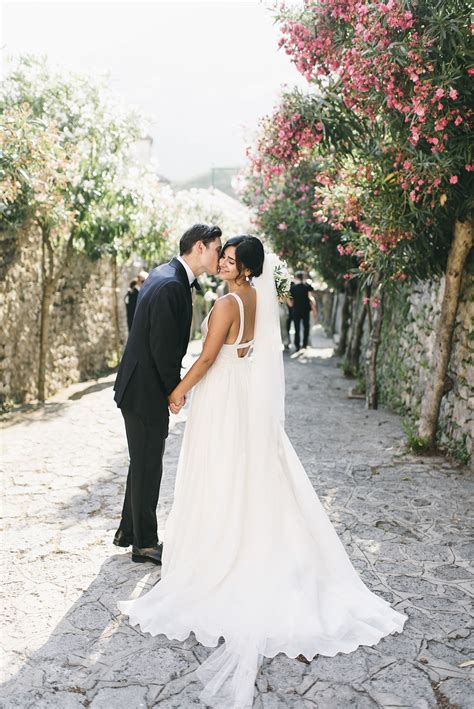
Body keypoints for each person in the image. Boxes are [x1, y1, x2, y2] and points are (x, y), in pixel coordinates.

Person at [118, 235, 407, 708]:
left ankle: (220, 551)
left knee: (217, 475)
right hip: (241, 398)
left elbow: (210, 357)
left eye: (230, 260)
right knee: (243, 474)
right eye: (223, 257)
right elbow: (243, 353)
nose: (223, 263)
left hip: (219, 398)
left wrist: (179, 391)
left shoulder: (231, 301)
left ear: (246, 270)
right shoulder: (253, 299)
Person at [113, 224, 222, 564]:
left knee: (142, 462)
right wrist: (174, 391)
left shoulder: (167, 273)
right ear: (200, 247)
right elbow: (162, 349)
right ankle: (144, 543)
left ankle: (130, 531)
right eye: (218, 249)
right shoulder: (171, 284)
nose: (220, 256)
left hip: (138, 385)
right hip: (145, 390)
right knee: (148, 465)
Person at [290, 270, 314, 350]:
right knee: (306, 327)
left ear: (296, 278)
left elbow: (292, 302)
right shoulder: (307, 286)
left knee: (296, 328)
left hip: (296, 310)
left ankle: (297, 346)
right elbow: (311, 297)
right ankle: (304, 344)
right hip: (306, 310)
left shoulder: (293, 288)